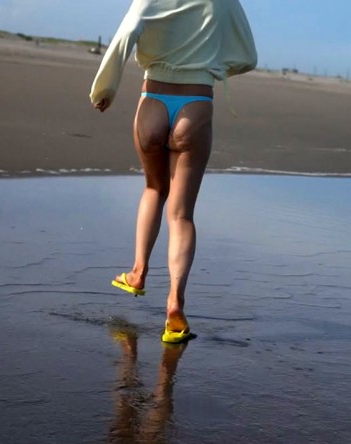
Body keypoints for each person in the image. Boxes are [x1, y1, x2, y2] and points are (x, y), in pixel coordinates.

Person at [90, 0, 257, 343]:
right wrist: (211, 65)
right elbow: (248, 57)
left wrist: (105, 88)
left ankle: (137, 273)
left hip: (153, 99)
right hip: (196, 104)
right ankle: (175, 307)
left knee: (154, 189)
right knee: (181, 215)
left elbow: (127, 31)